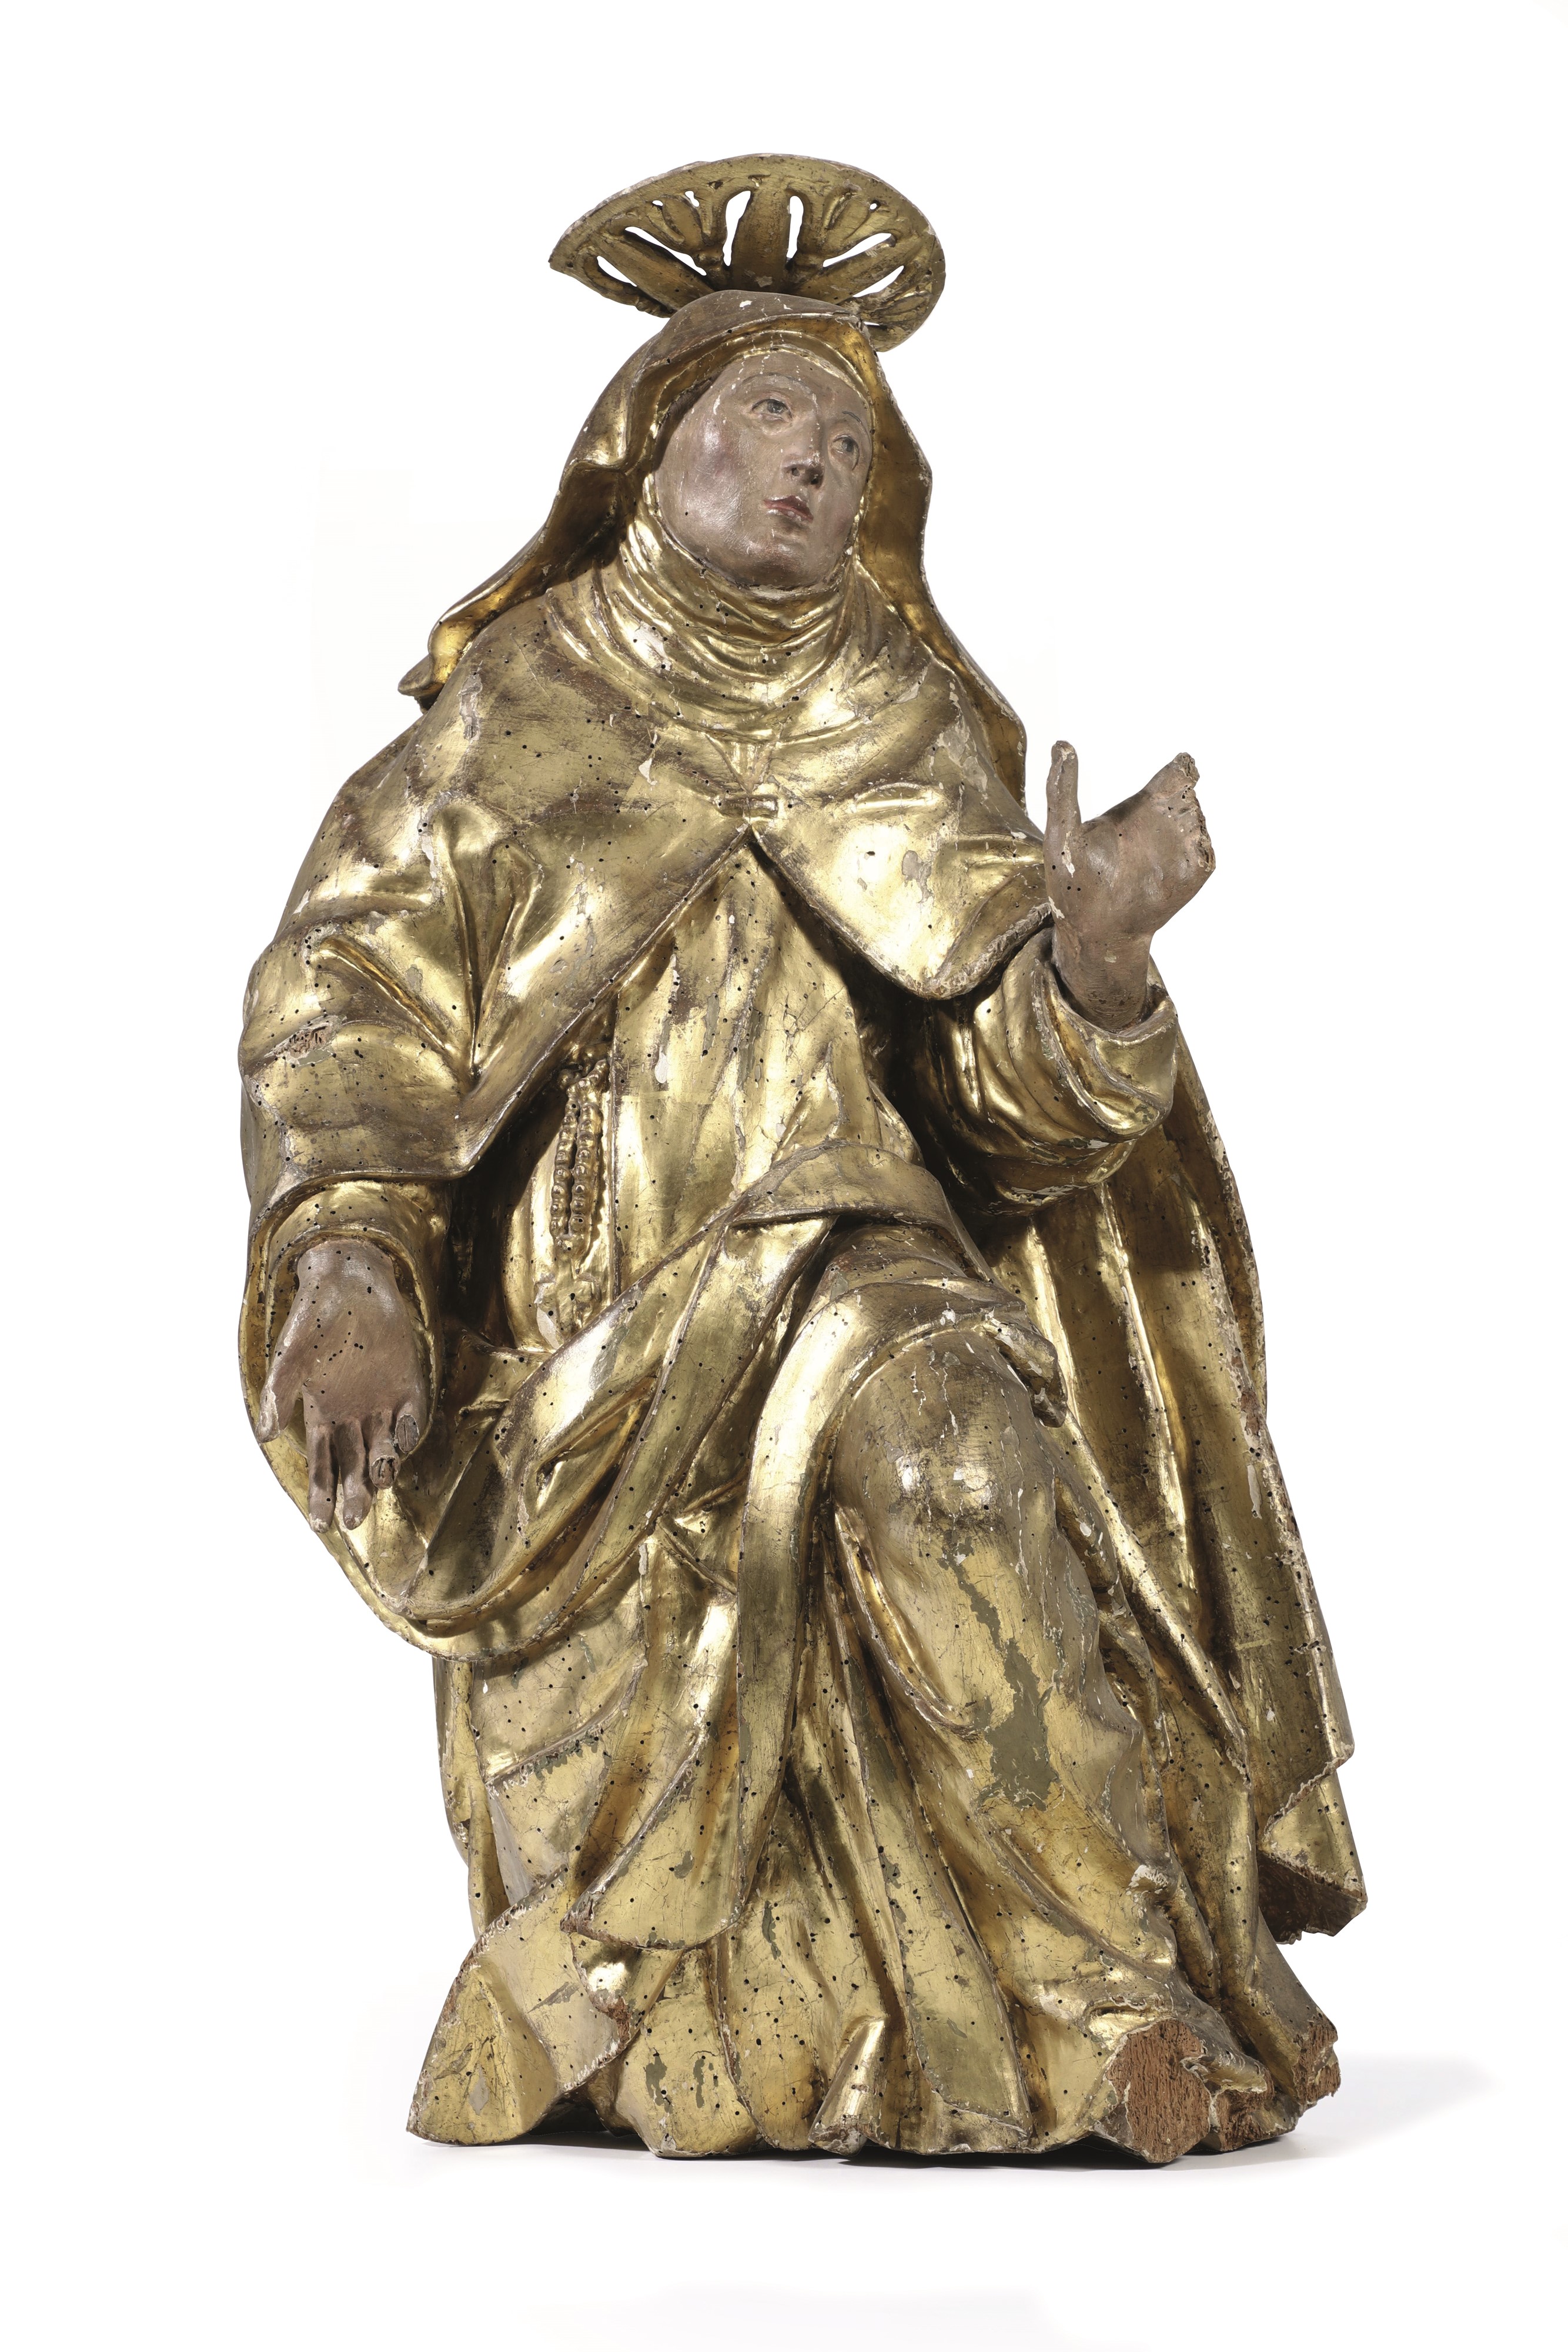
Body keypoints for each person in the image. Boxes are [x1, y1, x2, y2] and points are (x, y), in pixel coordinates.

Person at [240, 246, 1362, 2161]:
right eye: (772, 411)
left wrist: (1091, 962)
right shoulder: (504, 724)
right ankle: (634, 2001)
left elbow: (1007, 1133)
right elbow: (348, 1008)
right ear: (643, 440)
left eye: (849, 441)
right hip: (590, 1336)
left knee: (958, 1469)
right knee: (638, 1686)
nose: (817, 460)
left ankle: (1108, 2004)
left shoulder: (909, 729)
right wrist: (350, 1262)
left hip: (867, 1263)